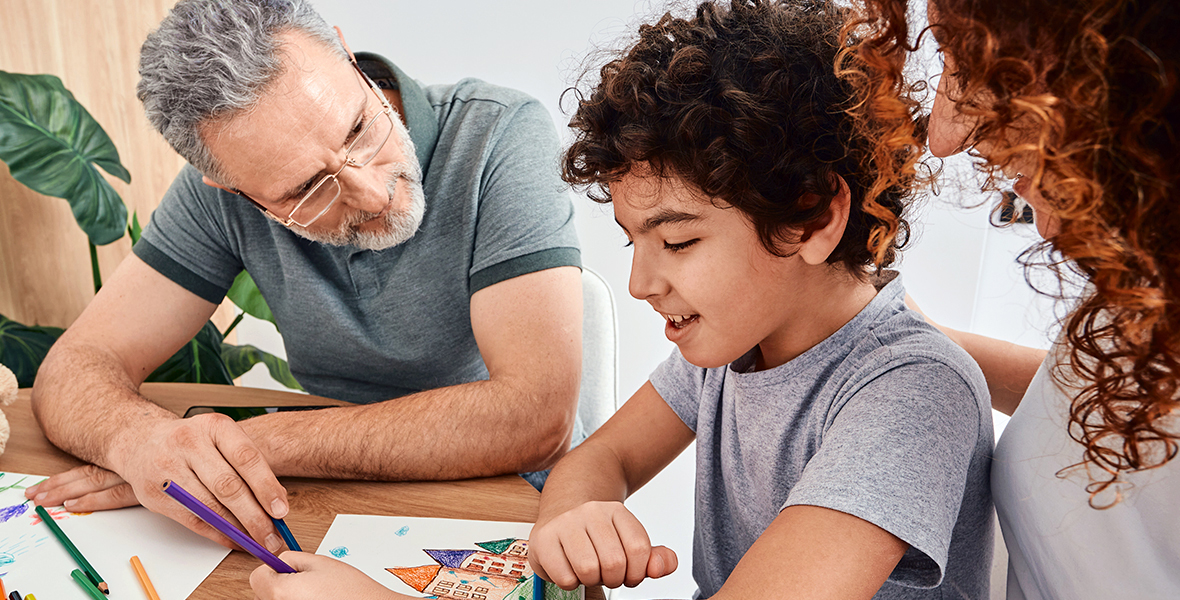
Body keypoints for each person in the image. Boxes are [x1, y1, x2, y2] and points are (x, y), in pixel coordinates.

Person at [249, 1, 993, 597]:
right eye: (634, 241)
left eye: (678, 242)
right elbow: (598, 457)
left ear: (811, 217)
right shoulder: (737, 348)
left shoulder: (911, 394)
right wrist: (578, 517)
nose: (640, 284)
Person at [26, 0, 583, 555]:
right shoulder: (218, 196)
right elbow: (76, 366)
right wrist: (143, 443)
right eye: (306, 189)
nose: (373, 194)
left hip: (518, 504)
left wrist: (239, 448)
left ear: (347, 55)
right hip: (332, 503)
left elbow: (535, 416)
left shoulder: (499, 132)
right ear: (231, 187)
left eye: (359, 129)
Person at [842, 0, 1180, 597]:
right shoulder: (1141, 286)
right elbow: (1122, 414)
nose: (943, 137)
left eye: (969, 65)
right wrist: (910, 334)